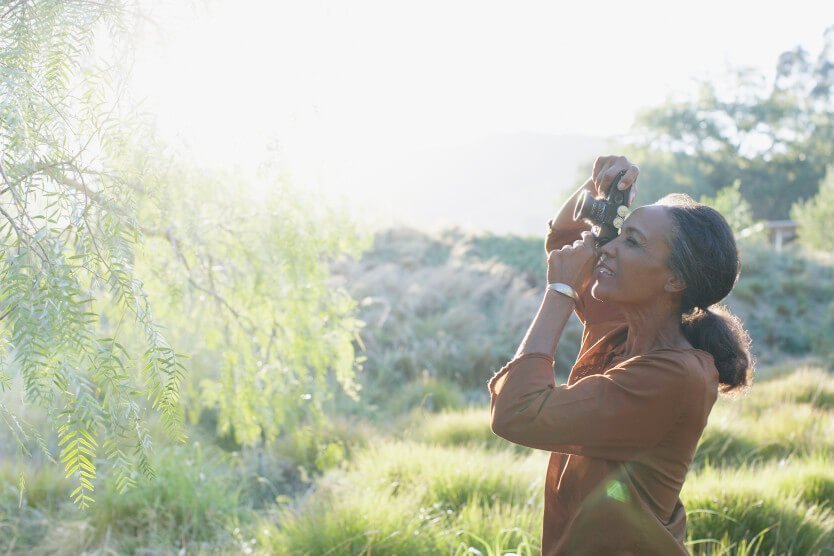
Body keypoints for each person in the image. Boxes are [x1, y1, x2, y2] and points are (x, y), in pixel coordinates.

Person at [488, 155, 754, 555]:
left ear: (675, 279)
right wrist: (598, 192)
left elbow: (516, 412)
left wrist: (561, 293)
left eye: (632, 242)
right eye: (619, 234)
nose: (608, 248)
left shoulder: (674, 377)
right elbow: (564, 239)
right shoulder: (629, 325)